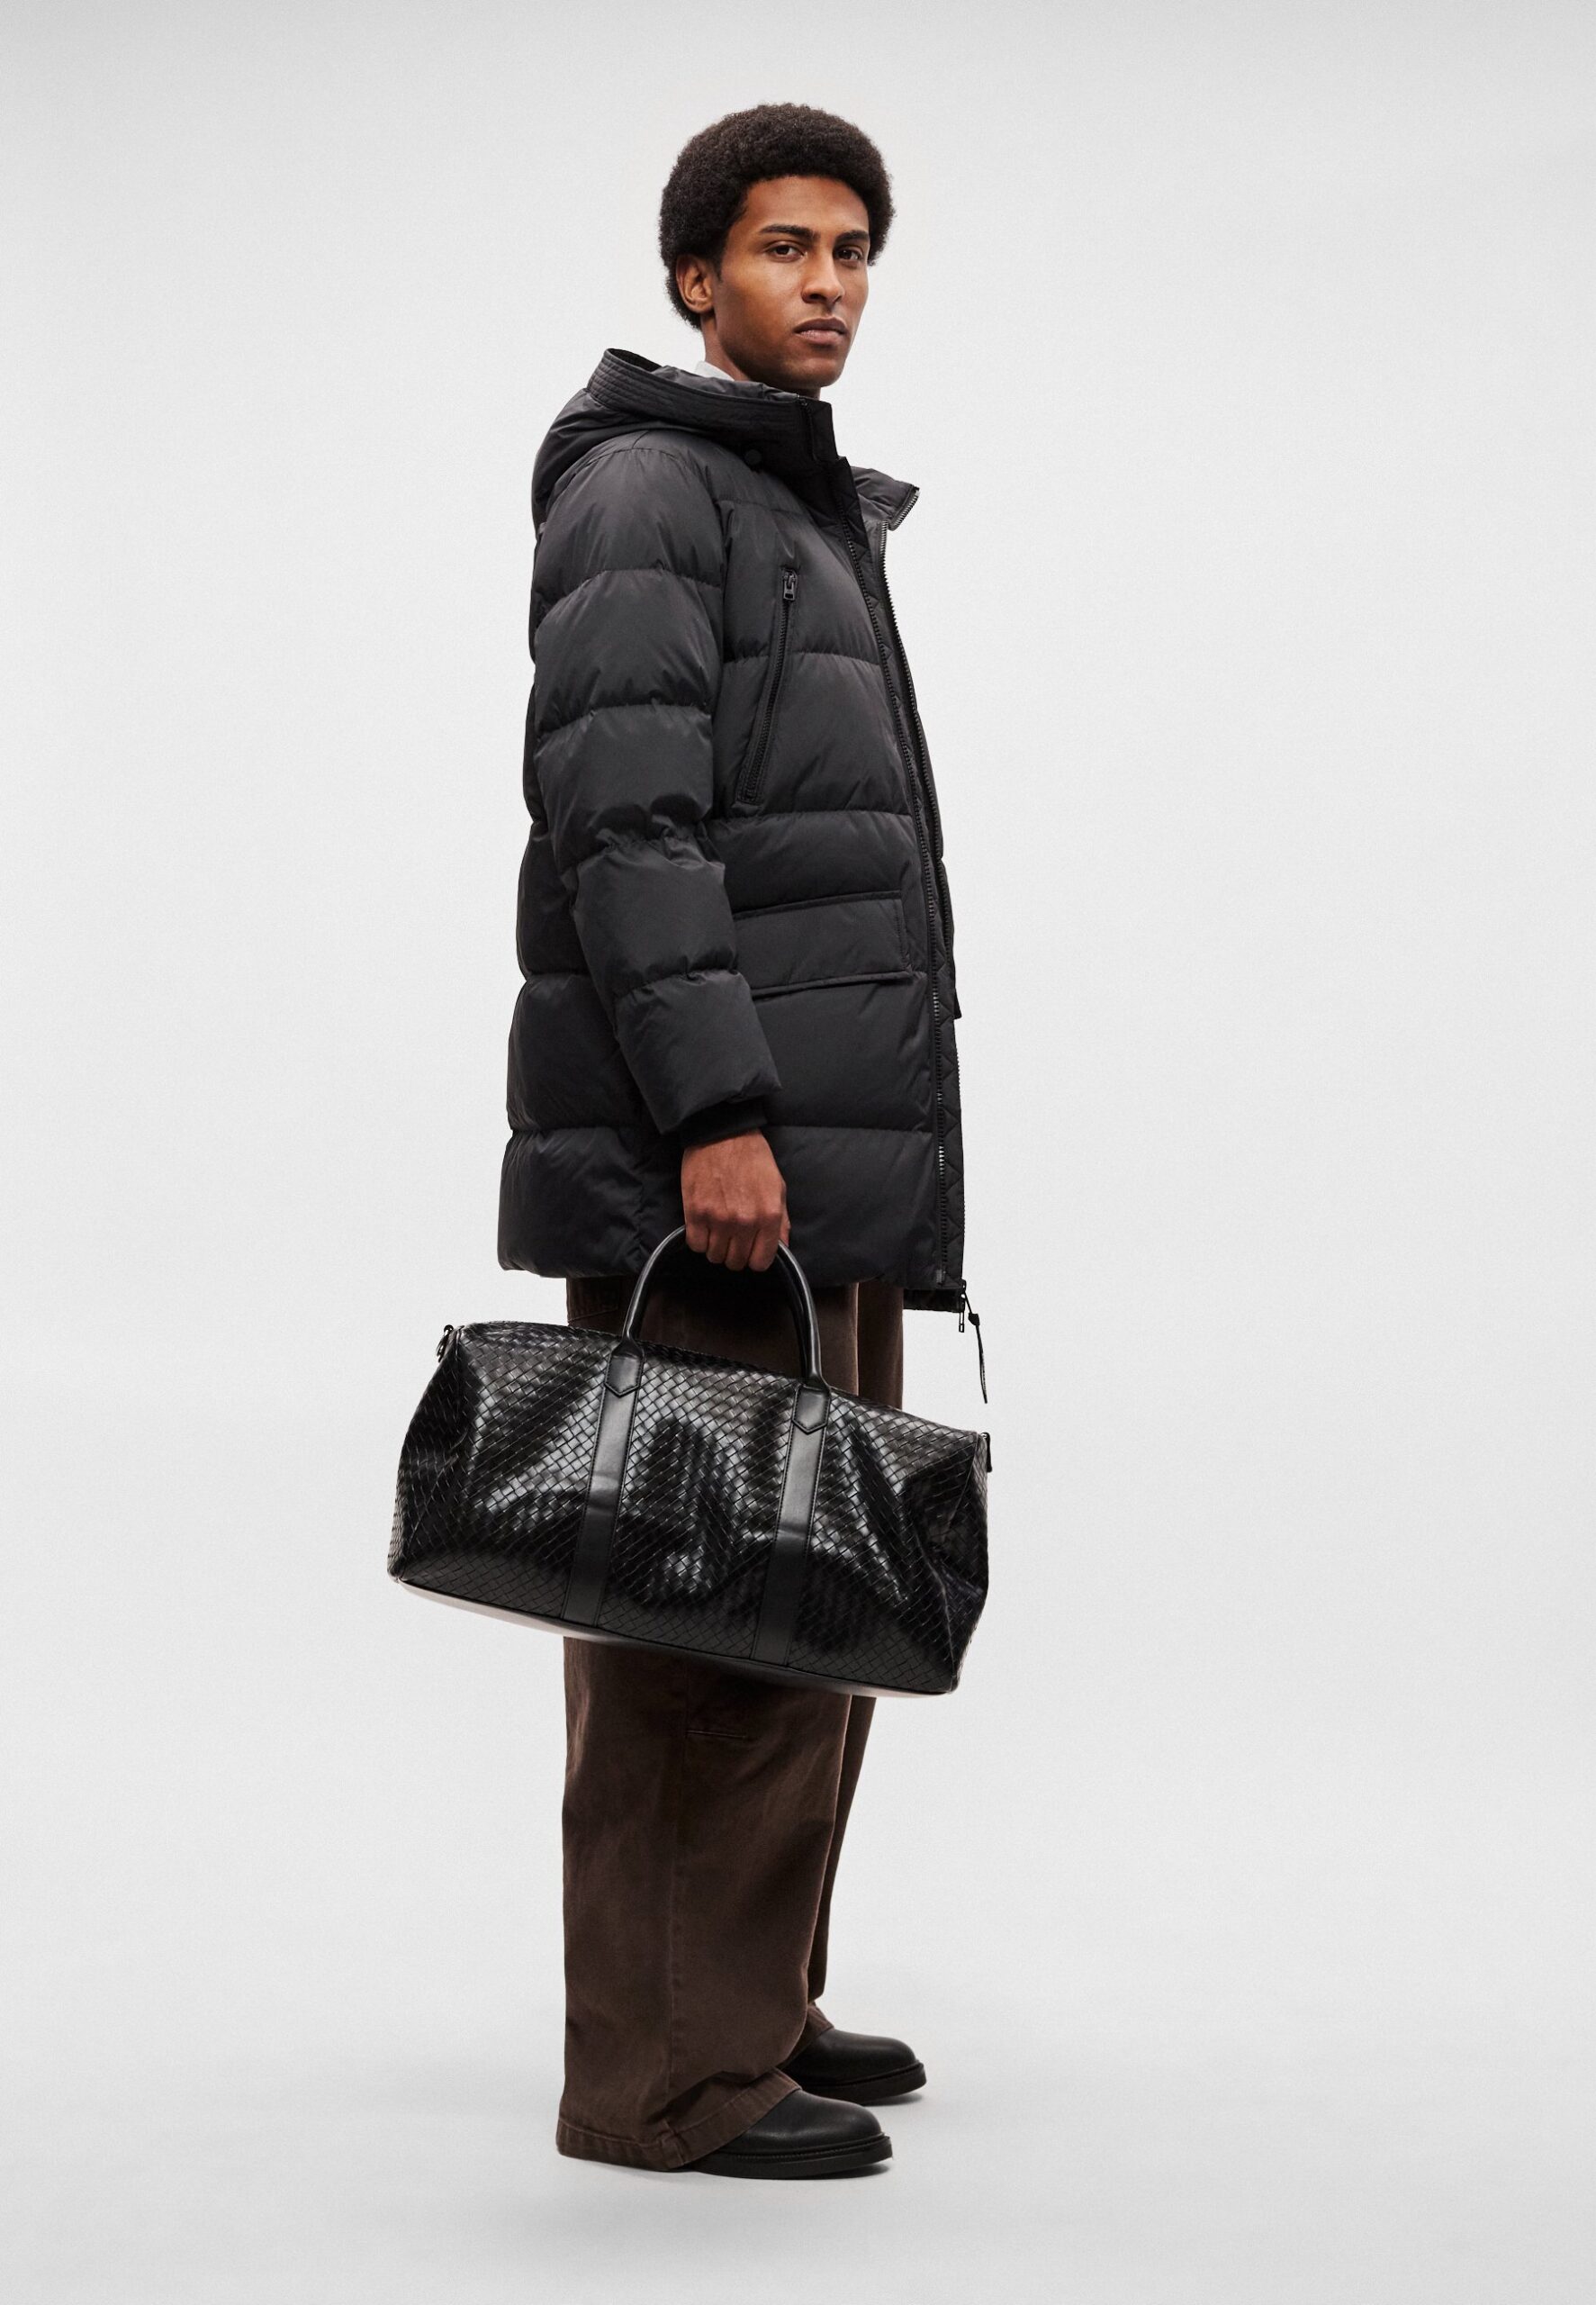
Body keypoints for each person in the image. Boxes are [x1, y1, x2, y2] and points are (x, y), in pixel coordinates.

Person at [499, 103, 969, 2178]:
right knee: (704, 1623)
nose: (828, 284)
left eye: (852, 250)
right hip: (722, 1162)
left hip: (812, 1162)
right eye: (786, 248)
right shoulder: (648, 492)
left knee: (809, 1588)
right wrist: (713, 1109)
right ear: (695, 274)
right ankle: (665, 2081)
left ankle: (749, 1999)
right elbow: (626, 825)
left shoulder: (789, 500)